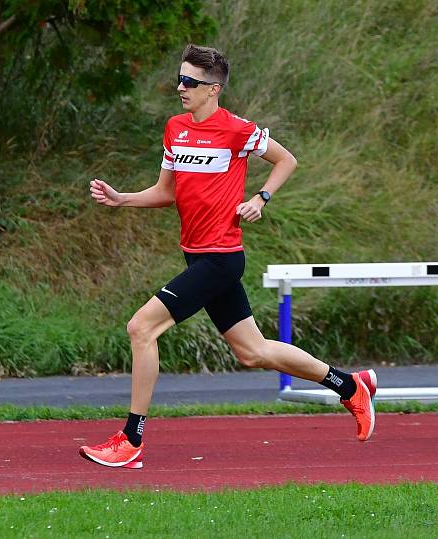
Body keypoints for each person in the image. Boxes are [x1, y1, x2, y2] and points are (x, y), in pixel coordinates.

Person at [80, 44, 376, 470]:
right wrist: (122, 198)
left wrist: (261, 197)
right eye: (179, 79)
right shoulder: (175, 128)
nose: (180, 87)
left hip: (221, 259)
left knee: (141, 328)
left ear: (213, 90)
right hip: (196, 257)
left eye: (190, 82)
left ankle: (131, 439)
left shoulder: (237, 130)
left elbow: (286, 160)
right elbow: (166, 192)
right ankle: (349, 385)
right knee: (252, 352)